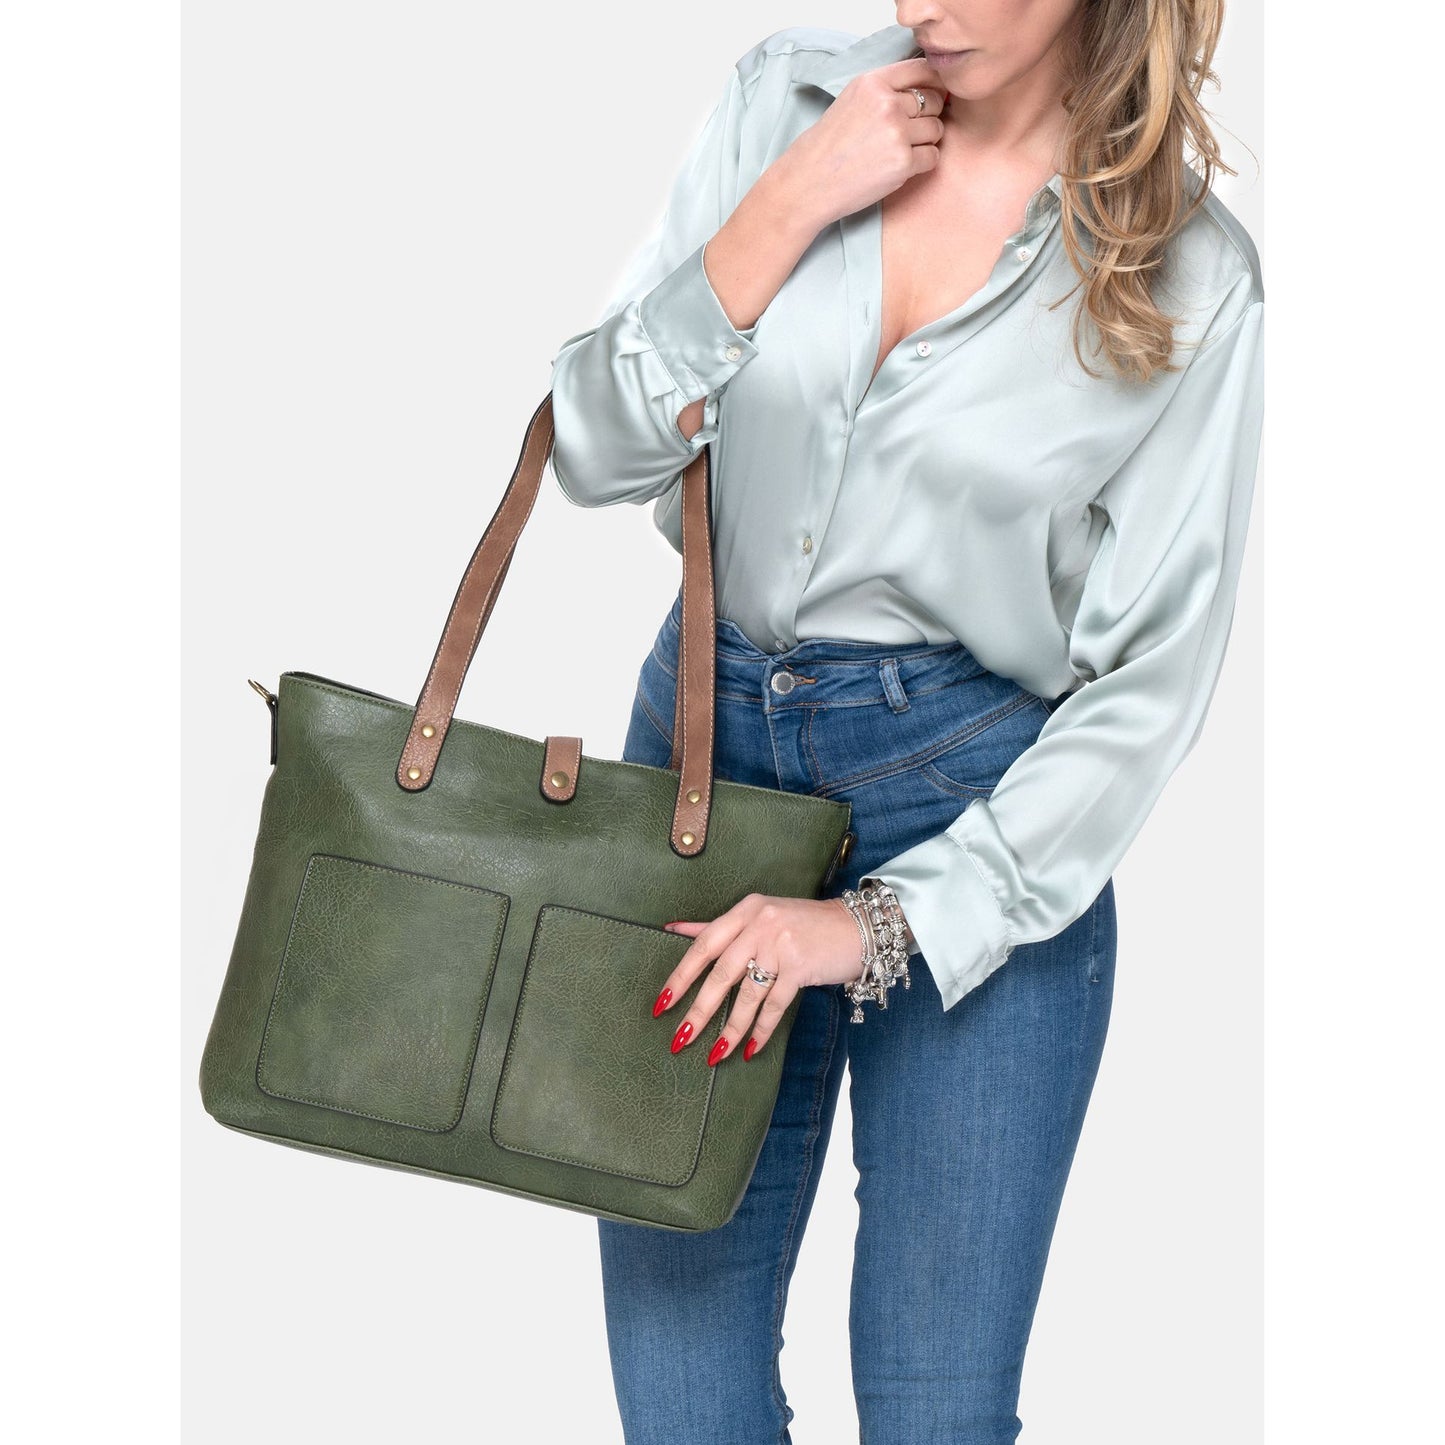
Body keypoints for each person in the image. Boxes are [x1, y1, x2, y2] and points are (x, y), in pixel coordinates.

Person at [548, 3, 1263, 1440]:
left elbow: (1147, 688)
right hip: (698, 768)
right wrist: (783, 208)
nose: (926, 5)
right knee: (681, 1400)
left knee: (938, 1412)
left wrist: (877, 925)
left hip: (978, 805)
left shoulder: (1191, 272)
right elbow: (588, 446)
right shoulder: (784, 106)